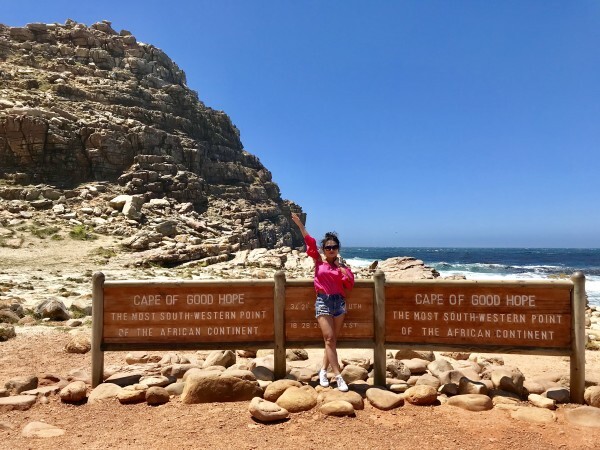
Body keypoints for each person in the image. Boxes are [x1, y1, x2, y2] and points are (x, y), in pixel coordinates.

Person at [291, 212, 355, 392]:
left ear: (338, 248)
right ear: (323, 249)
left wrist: (344, 272)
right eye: (328, 247)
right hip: (323, 302)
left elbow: (349, 284)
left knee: (331, 341)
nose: (331, 249)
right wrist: (300, 226)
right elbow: (310, 242)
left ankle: (322, 371)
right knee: (329, 338)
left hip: (339, 303)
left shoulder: (342, 267)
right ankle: (339, 376)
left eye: (334, 247)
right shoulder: (318, 261)